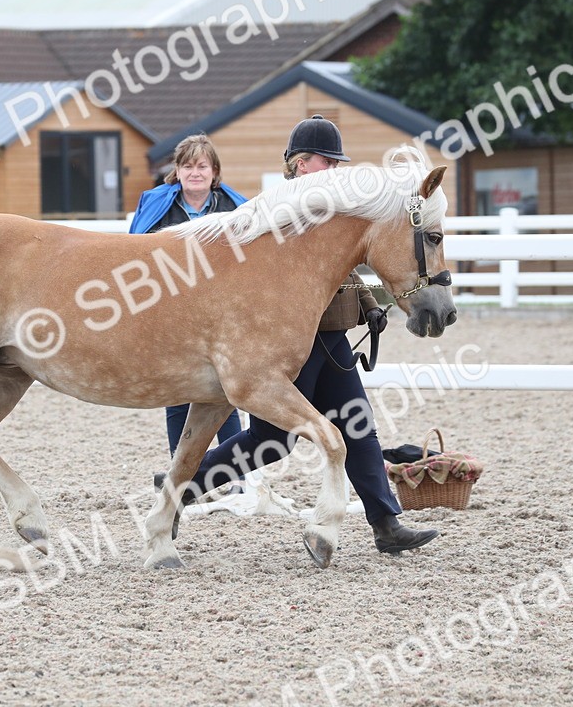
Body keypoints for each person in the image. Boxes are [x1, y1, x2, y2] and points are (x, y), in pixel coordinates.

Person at [176, 115, 439, 555]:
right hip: (287, 341)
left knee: (359, 426)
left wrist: (372, 307)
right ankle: (182, 485)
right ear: (300, 165)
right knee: (270, 442)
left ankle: (385, 522)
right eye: (326, 161)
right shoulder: (281, 213)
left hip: (330, 335)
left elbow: (350, 267)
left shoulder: (334, 213)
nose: (334, 170)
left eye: (337, 163)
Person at [130, 134, 248, 455]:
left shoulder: (238, 208)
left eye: (202, 166)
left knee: (224, 395)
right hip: (170, 315)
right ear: (177, 171)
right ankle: (179, 474)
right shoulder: (154, 203)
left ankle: (236, 476)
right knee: (177, 392)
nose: (195, 173)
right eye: (188, 166)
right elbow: (134, 254)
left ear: (214, 171)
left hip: (220, 317)